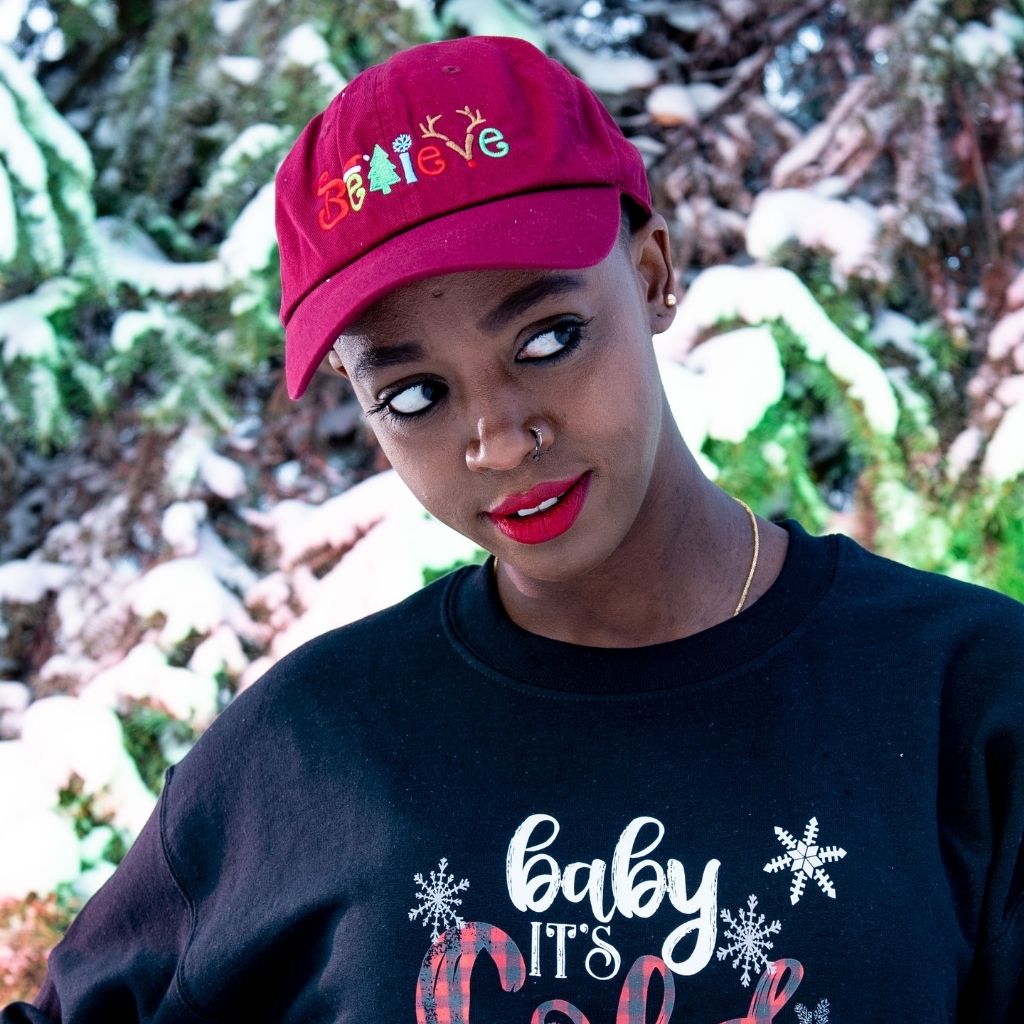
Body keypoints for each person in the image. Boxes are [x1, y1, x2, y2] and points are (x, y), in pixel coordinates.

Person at [4, 34, 1022, 1024]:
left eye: (548, 338)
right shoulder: (309, 751)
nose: (497, 440)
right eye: (413, 395)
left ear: (653, 273)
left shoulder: (965, 698)